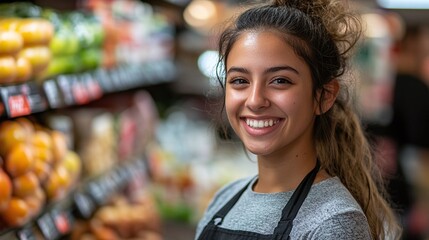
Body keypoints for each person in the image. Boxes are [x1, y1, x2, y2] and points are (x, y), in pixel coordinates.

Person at [195, 0, 401, 239]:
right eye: (240, 80)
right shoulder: (225, 198)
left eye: (280, 80)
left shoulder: (334, 220)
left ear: (323, 96)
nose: (254, 100)